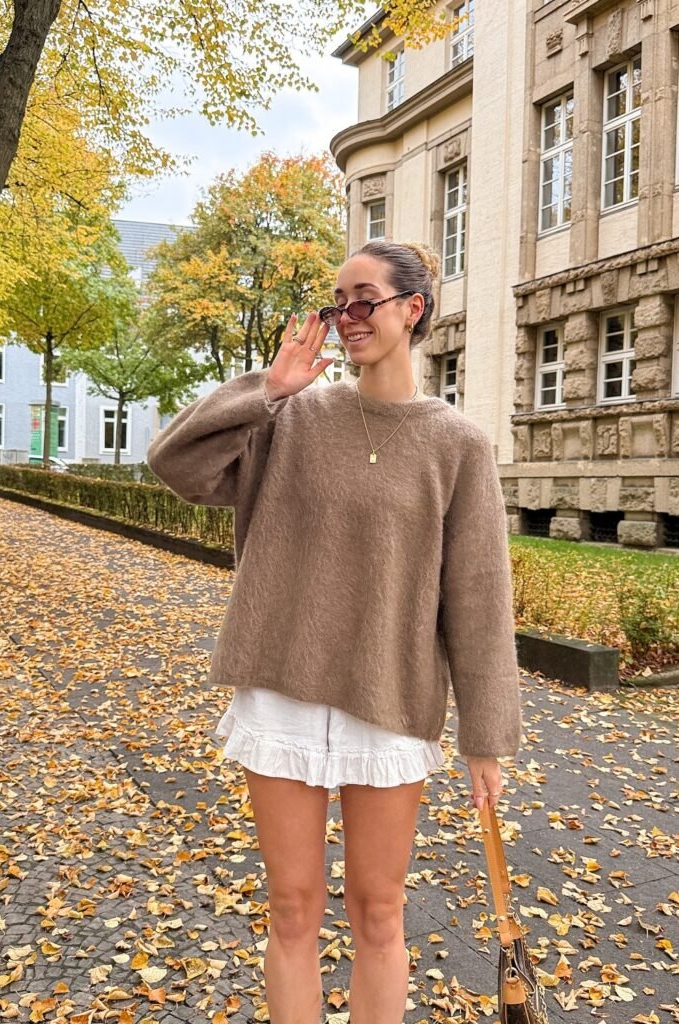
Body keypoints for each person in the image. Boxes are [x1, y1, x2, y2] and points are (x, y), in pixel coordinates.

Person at [147, 240, 522, 1024]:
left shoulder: (457, 443)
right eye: (336, 304)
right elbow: (174, 463)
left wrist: (485, 737)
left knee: (379, 916)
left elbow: (479, 597)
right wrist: (267, 387)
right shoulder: (289, 417)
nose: (344, 319)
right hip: (281, 688)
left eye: (362, 301)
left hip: (388, 697)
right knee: (291, 909)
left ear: (411, 309)